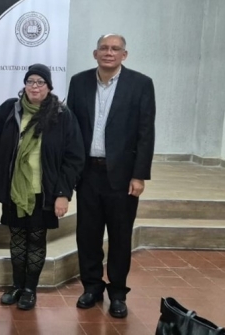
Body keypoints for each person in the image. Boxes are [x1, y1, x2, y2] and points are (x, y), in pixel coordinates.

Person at [67, 34, 155, 318]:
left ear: (124, 55)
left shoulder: (141, 84)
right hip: (88, 173)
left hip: (122, 176)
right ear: (95, 53)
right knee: (88, 235)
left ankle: (117, 292)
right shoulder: (79, 82)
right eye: (104, 48)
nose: (109, 52)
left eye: (115, 49)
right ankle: (91, 287)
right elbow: (72, 129)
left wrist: (139, 175)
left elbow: (145, 133)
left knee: (119, 237)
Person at [0, 64, 84, 311]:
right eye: (30, 81)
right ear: (24, 85)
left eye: (40, 82)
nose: (35, 86)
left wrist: (63, 194)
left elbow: (74, 157)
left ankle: (30, 289)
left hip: (44, 191)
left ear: (49, 86)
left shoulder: (62, 115)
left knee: (36, 240)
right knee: (17, 238)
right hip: (15, 190)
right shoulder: (10, 109)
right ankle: (17, 285)